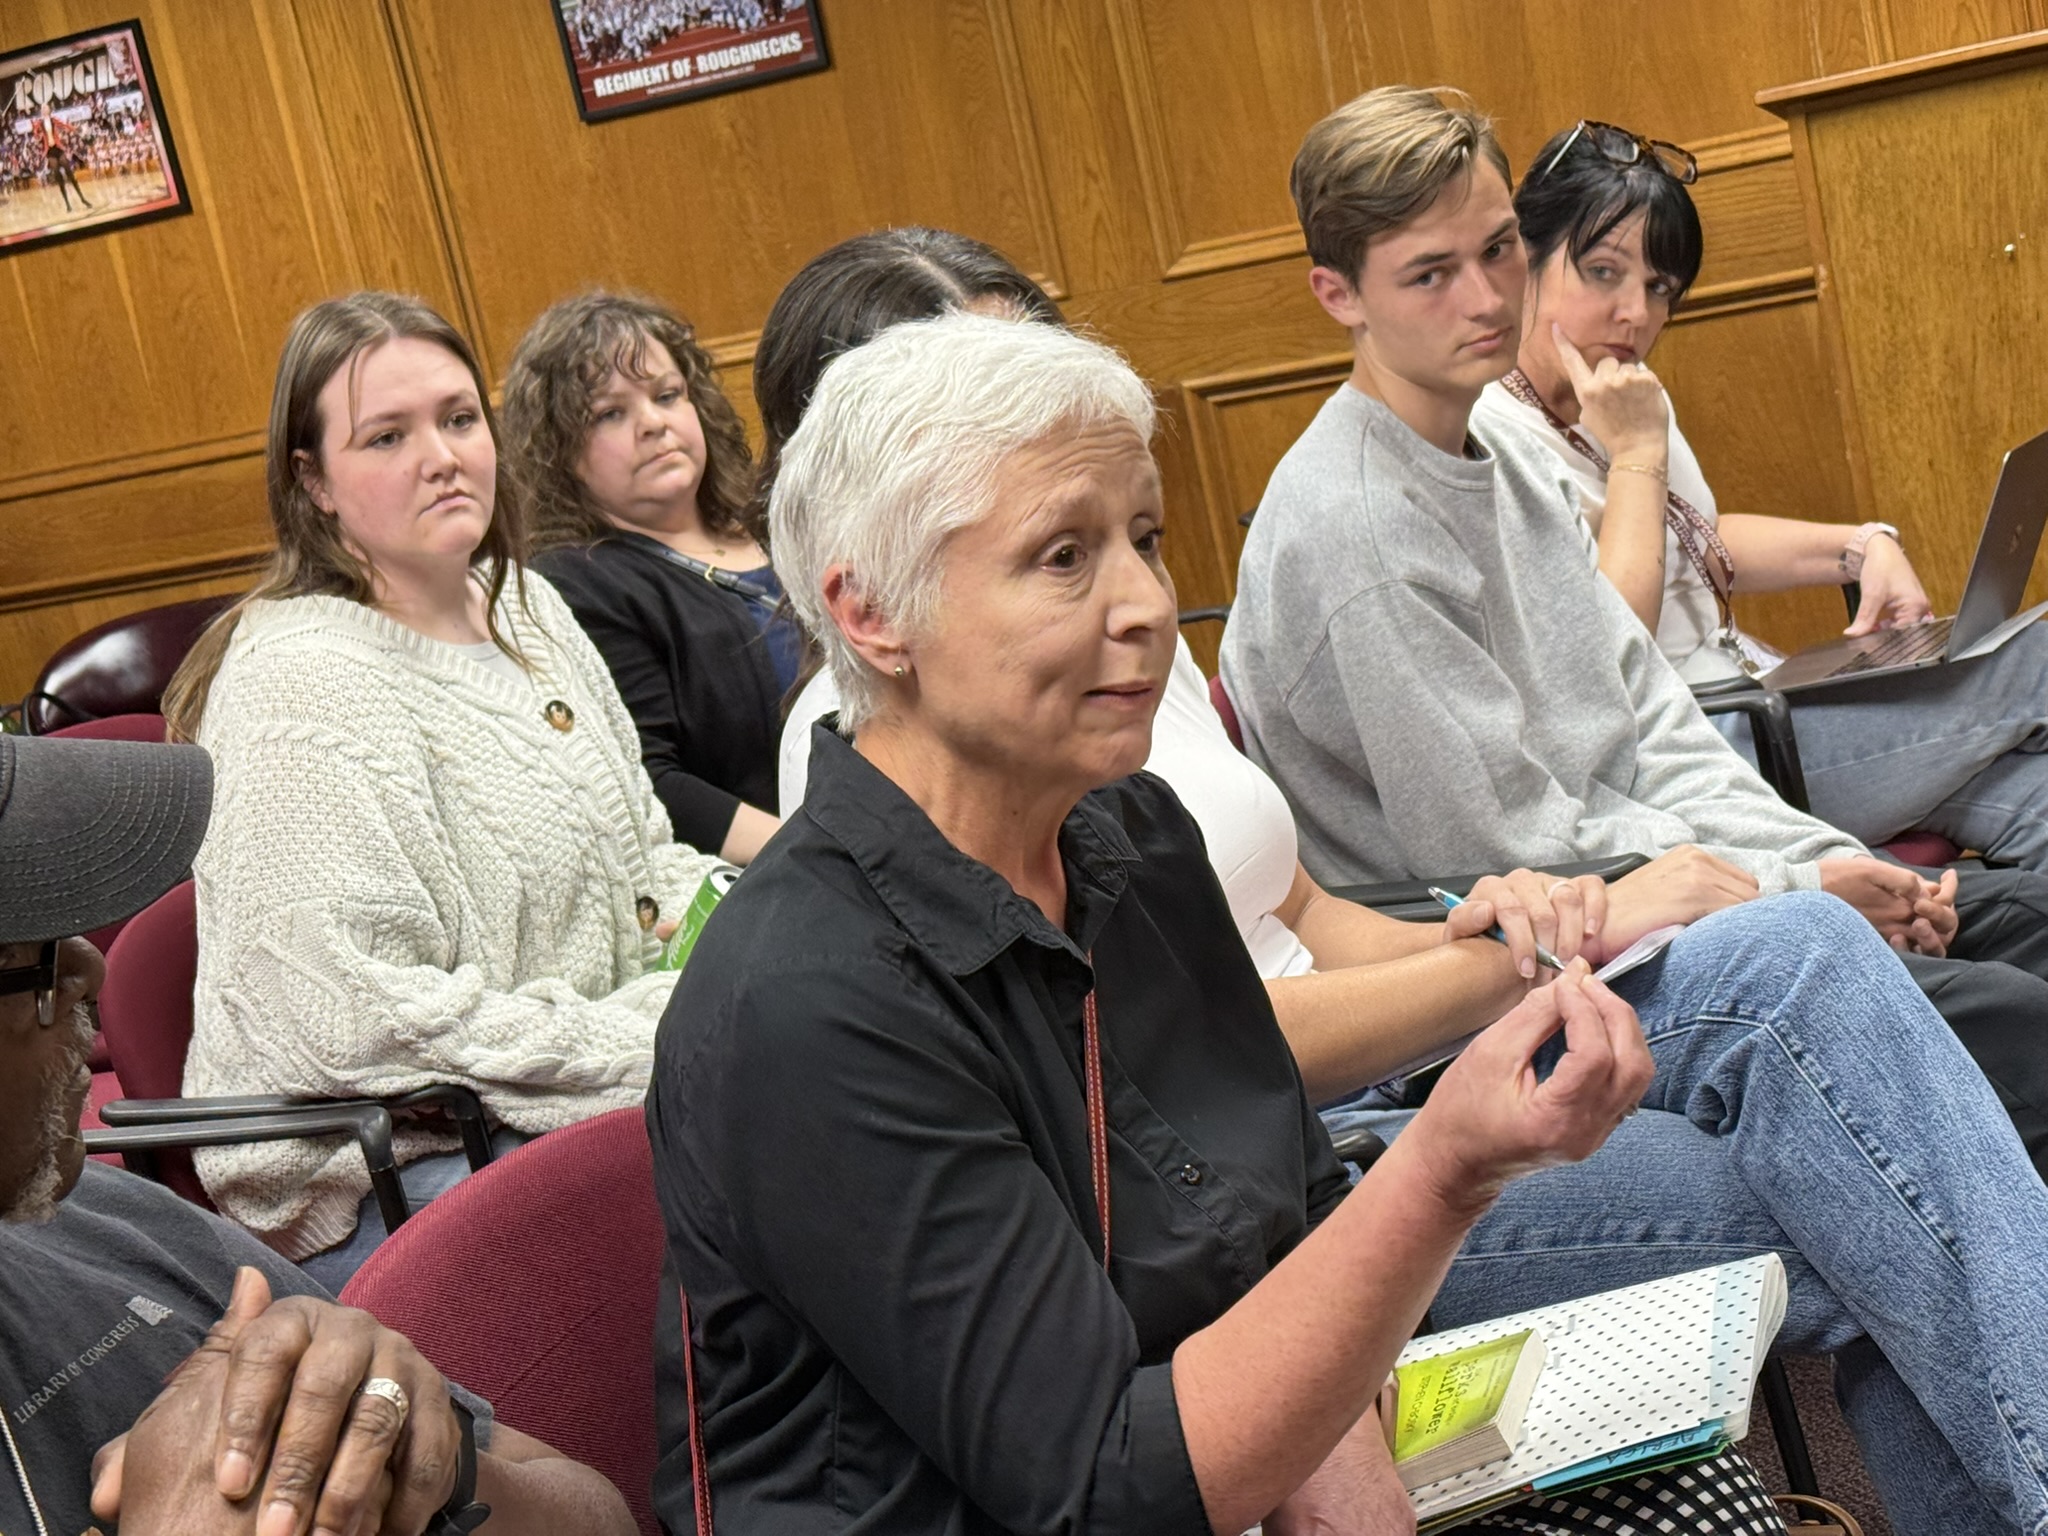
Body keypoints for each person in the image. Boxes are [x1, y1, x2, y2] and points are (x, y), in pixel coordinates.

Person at [653, 310, 2048, 1535]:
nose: (1147, 606)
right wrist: (1445, 1165)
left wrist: (1339, 1411)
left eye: (1144, 540)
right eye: (1064, 557)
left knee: (1868, 1243)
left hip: (1223, 1423)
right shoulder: (804, 996)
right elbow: (1102, 1484)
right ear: (871, 614)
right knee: (1871, 1224)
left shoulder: (1121, 835)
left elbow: (1277, 1194)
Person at [1219, 84, 2048, 1180]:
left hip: (1664, 901)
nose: (1486, 298)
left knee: (2029, 920)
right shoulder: (1357, 529)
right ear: (1339, 295)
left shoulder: (1499, 454)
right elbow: (1507, 855)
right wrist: (1802, 892)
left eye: (1498, 251)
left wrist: (1827, 862)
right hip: (1544, 980)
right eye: (1430, 274)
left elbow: (1653, 723)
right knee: (2017, 1029)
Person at [161, 291, 724, 1287]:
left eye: (459, 419)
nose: (442, 457)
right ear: (312, 481)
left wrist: (741, 946)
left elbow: (649, 862)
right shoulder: (298, 682)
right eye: (387, 436)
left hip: (569, 1094)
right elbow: (353, 1022)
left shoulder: (527, 606)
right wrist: (656, 1036)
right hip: (397, 1174)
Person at [0, 731, 636, 1536]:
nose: (92, 968)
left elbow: (601, 1517)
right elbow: (355, 1026)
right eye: (32, 951)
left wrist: (430, 1461)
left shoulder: (113, 1223)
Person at [1470, 119, 2048, 871]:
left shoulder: (1617, 391)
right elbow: (1607, 655)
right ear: (1523, 261)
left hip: (1755, 693)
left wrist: (1860, 545)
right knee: (2037, 661)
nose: (1636, 314)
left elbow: (1698, 539)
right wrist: (1637, 451)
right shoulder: (1494, 437)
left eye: (1658, 287)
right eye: (1603, 272)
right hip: (1693, 751)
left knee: (2035, 795)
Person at [505, 290, 792, 864]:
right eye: (610, 413)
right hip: (772, 874)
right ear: (558, 450)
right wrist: (830, 857)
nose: (654, 423)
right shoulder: (576, 585)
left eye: (667, 395)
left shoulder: (778, 519)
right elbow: (651, 785)